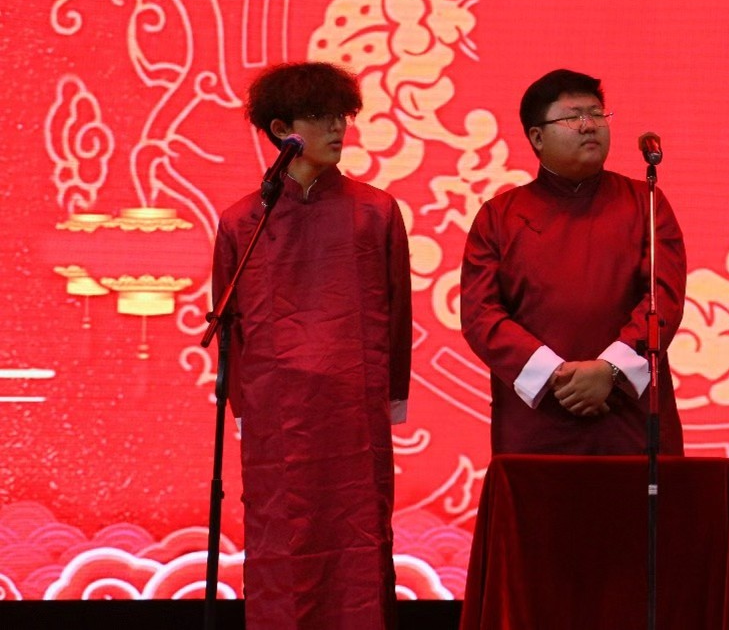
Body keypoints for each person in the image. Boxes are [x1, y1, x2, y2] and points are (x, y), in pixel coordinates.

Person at [212, 61, 412, 629]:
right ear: (282, 130)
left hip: (354, 409)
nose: (338, 128)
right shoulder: (241, 222)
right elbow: (231, 328)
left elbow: (397, 315)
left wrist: (392, 398)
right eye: (321, 117)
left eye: (341, 115)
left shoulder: (375, 211)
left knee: (358, 543)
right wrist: (246, 407)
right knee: (281, 544)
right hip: (276, 417)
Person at [460, 68, 686, 454]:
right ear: (537, 137)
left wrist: (610, 370)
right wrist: (555, 375)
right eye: (572, 117)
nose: (589, 125)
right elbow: (481, 315)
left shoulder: (645, 202)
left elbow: (663, 298)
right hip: (538, 414)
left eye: (597, 114)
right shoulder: (499, 216)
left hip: (628, 411)